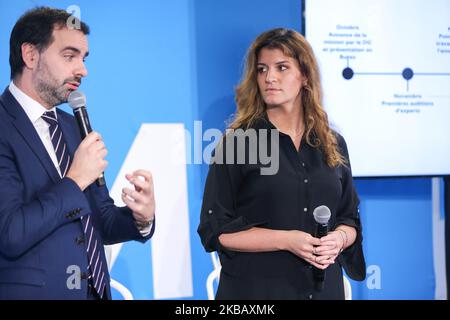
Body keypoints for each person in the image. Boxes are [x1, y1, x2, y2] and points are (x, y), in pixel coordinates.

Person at [198, 28, 365, 299]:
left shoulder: (333, 143)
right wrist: (287, 240)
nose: (269, 78)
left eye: (282, 67)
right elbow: (216, 230)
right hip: (257, 293)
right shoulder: (238, 143)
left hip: (324, 291)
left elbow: (349, 219)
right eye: (262, 69)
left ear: (305, 76)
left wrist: (339, 239)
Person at [0, 7, 156, 300]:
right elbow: (9, 233)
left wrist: (141, 218)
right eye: (69, 56)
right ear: (30, 55)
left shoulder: (73, 126)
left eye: (83, 59)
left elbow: (101, 221)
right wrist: (74, 181)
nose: (82, 70)